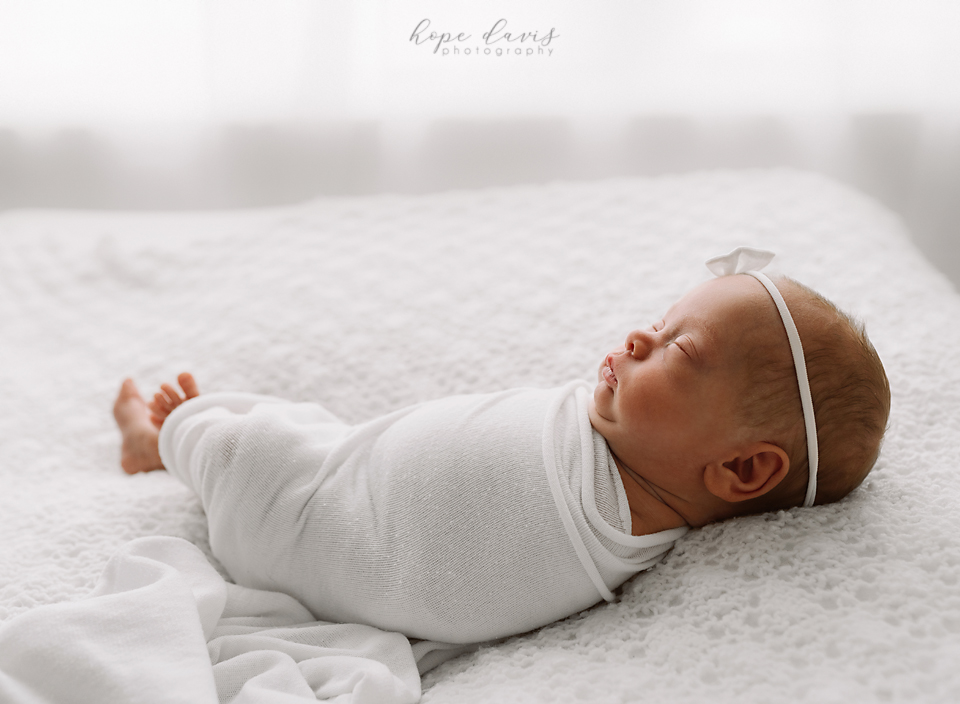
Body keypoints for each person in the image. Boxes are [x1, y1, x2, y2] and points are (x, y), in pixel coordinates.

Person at [112, 248, 890, 645]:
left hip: (307, 528)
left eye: (678, 352)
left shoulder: (611, 516)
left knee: (248, 448)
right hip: (356, 477)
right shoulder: (632, 457)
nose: (639, 335)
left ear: (742, 470)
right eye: (659, 320)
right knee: (310, 427)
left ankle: (162, 440)